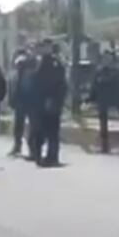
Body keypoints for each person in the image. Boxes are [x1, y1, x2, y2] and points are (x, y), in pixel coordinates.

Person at [29, 38, 67, 168]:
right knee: (38, 131)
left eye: (48, 46)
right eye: (44, 46)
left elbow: (61, 83)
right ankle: (37, 155)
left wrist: (56, 100)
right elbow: (33, 82)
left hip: (53, 102)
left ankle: (53, 156)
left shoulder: (56, 63)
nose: (46, 49)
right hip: (38, 102)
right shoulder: (36, 62)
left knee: (53, 132)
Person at [89, 49, 119, 154]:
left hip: (116, 97)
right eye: (105, 58)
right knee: (103, 122)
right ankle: (104, 145)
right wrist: (91, 97)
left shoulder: (117, 71)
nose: (106, 60)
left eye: (108, 58)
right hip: (103, 99)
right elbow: (94, 85)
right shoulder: (99, 71)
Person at [9, 48, 37, 157]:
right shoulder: (16, 73)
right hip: (20, 101)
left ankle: (31, 148)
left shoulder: (31, 71)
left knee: (31, 125)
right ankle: (18, 146)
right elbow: (12, 87)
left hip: (28, 100)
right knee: (19, 125)